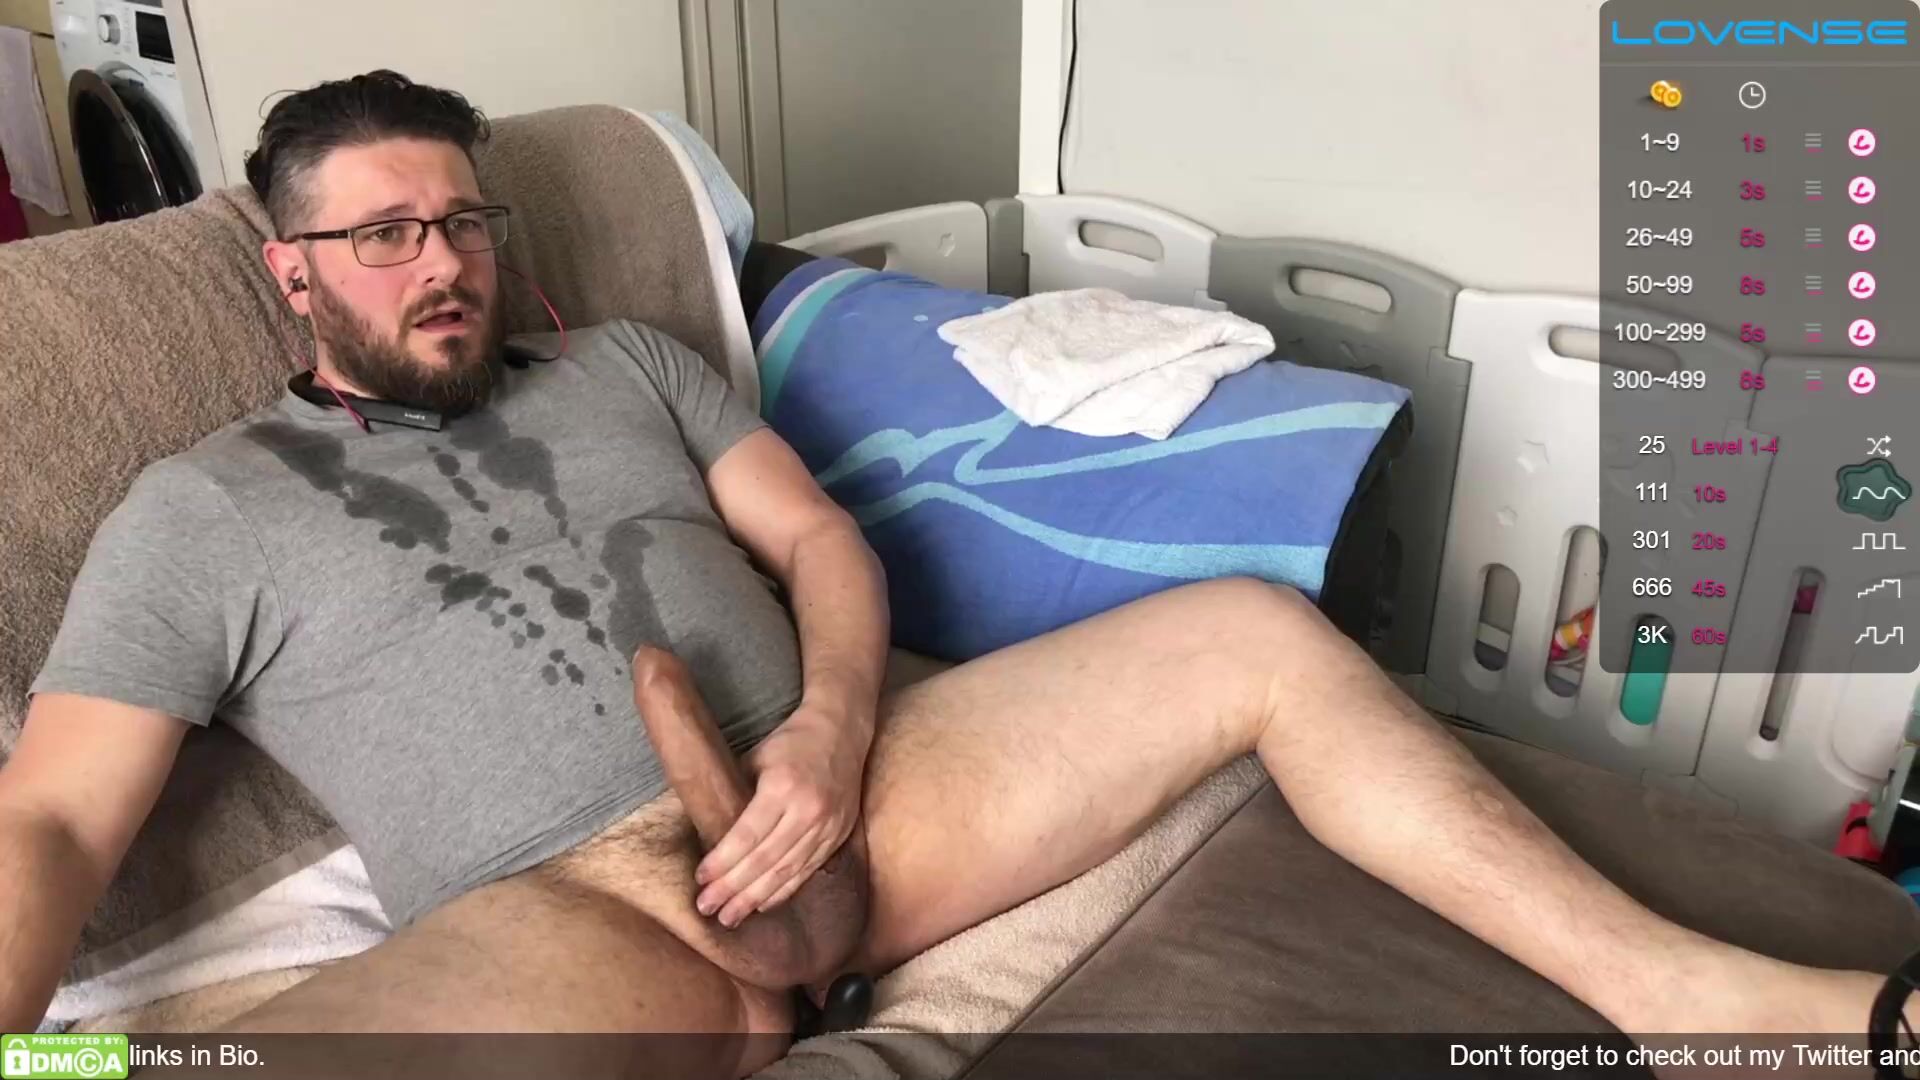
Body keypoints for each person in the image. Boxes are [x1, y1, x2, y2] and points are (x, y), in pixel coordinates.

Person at [0, 70, 1895, 1078]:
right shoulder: (203, 509)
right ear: (291, 271)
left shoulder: (625, 365)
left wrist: (832, 731)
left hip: (875, 798)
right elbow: (59, 828)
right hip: (579, 907)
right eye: (387, 236)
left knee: (1253, 633)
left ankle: (1694, 1004)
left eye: (465, 221)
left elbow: (819, 539)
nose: (445, 265)